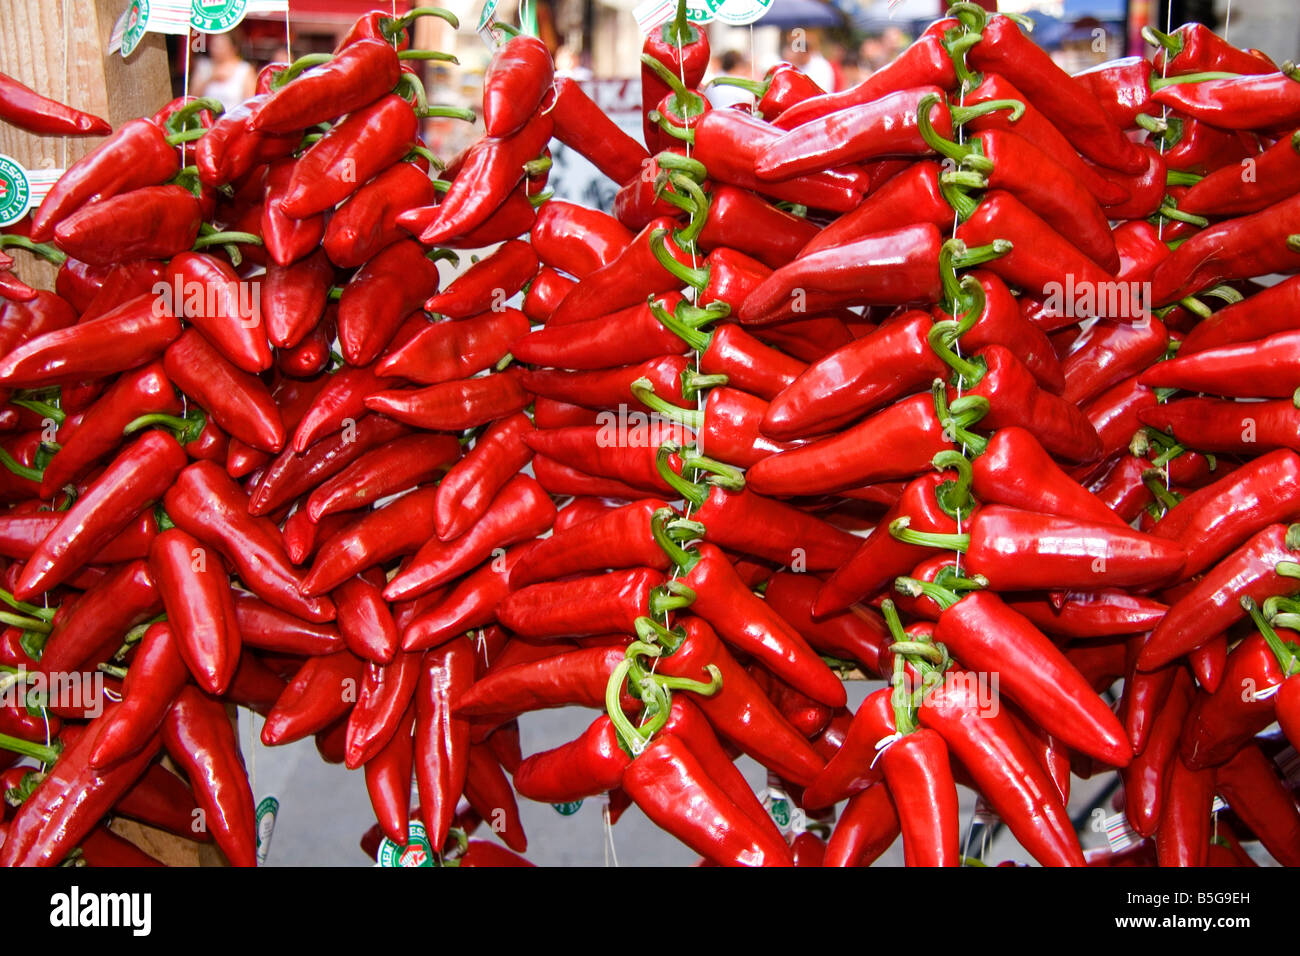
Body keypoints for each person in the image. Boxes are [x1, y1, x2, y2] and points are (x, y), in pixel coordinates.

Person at [191, 31, 256, 111]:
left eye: (221, 46)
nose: (216, 50)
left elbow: (250, 103)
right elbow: (192, 99)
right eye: (214, 45)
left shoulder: (245, 69)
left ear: (234, 48)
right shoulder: (204, 66)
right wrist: (210, 79)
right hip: (206, 119)